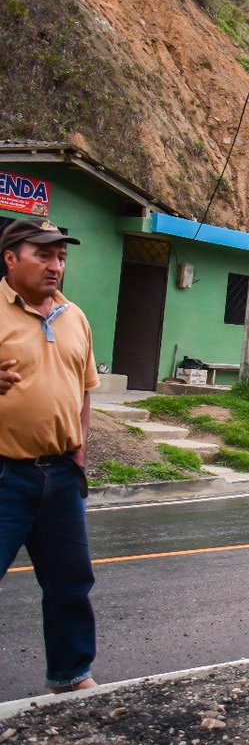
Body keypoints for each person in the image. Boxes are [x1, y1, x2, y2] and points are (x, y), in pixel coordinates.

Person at [0, 218, 100, 693]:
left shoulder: (74, 316)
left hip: (60, 475)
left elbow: (84, 390)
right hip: (5, 473)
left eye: (60, 256)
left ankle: (71, 675)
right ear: (10, 258)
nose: (55, 265)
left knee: (70, 583)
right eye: (42, 255)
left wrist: (79, 453)